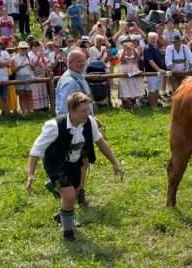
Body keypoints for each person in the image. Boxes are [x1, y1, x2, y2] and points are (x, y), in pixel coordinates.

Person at [25, 92, 124, 242]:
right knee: (70, 196)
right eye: (83, 111)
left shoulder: (89, 122)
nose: (88, 114)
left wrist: (115, 163)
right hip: (56, 164)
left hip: (75, 162)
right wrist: (31, 174)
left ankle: (62, 211)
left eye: (88, 110)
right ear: (72, 110)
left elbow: (100, 142)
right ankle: (68, 233)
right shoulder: (54, 126)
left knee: (73, 195)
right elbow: (36, 150)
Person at [55, 49, 94, 204]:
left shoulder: (78, 77)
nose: (82, 62)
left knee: (81, 161)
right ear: (68, 63)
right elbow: (64, 109)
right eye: (78, 60)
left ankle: (77, 191)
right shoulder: (70, 81)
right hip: (74, 128)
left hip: (81, 124)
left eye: (83, 59)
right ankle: (74, 192)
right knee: (79, 161)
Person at [144, 32, 165, 108]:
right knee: (152, 90)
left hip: (157, 73)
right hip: (151, 73)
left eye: (155, 38)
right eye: (152, 39)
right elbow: (150, 61)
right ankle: (153, 107)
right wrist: (159, 70)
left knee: (156, 90)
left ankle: (155, 105)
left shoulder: (156, 47)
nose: (154, 40)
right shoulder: (148, 48)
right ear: (148, 39)